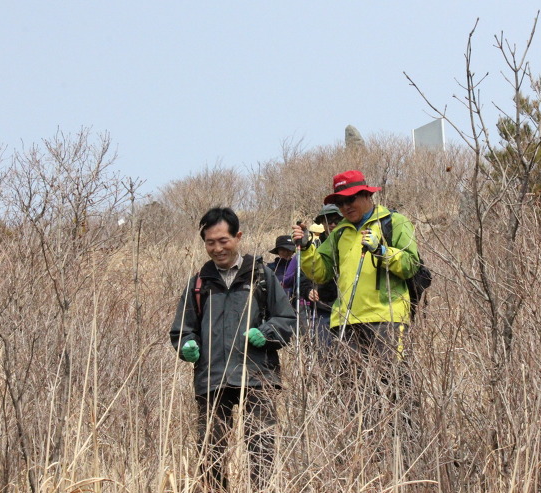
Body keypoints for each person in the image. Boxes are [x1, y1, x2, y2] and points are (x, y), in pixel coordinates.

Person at [170, 207, 295, 492]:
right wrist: (187, 345)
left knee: (261, 453)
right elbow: (182, 329)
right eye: (210, 242)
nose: (217, 248)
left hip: (257, 377)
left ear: (237, 237)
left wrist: (266, 333)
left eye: (223, 240)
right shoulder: (198, 284)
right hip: (212, 379)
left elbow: (287, 320)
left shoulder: (261, 276)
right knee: (210, 455)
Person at [291, 170, 420, 442]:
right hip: (346, 322)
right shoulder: (339, 235)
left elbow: (411, 265)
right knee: (356, 393)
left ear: (368, 195)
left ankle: (407, 448)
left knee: (393, 386)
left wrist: (382, 251)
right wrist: (306, 247)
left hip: (386, 317)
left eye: (351, 199)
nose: (346, 207)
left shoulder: (394, 222)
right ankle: (369, 452)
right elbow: (321, 273)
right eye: (340, 203)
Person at [301, 204, 342, 348]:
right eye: (328, 221)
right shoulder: (314, 246)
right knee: (325, 352)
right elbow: (303, 276)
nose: (332, 224)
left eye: (337, 220)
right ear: (322, 223)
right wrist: (308, 291)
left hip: (349, 309)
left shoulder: (351, 242)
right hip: (323, 308)